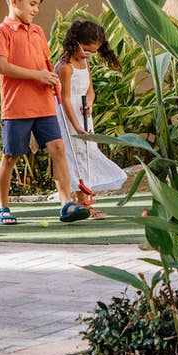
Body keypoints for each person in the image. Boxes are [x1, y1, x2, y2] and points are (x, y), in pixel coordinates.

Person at [0, 0, 90, 225]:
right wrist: (38, 76)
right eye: (32, 4)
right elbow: (2, 66)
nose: (36, 10)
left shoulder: (38, 31)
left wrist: (51, 80)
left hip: (43, 103)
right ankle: (2, 207)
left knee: (58, 149)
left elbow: (46, 63)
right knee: (11, 156)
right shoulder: (1, 31)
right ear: (15, 1)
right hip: (16, 106)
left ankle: (66, 203)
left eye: (38, 5)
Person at [55, 20, 128, 218]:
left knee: (87, 154)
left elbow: (90, 90)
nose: (89, 55)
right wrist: (76, 125)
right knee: (75, 157)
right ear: (75, 42)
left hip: (83, 114)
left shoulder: (84, 63)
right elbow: (65, 99)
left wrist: (89, 103)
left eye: (93, 52)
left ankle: (86, 203)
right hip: (68, 117)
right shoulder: (65, 67)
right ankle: (82, 204)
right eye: (86, 50)